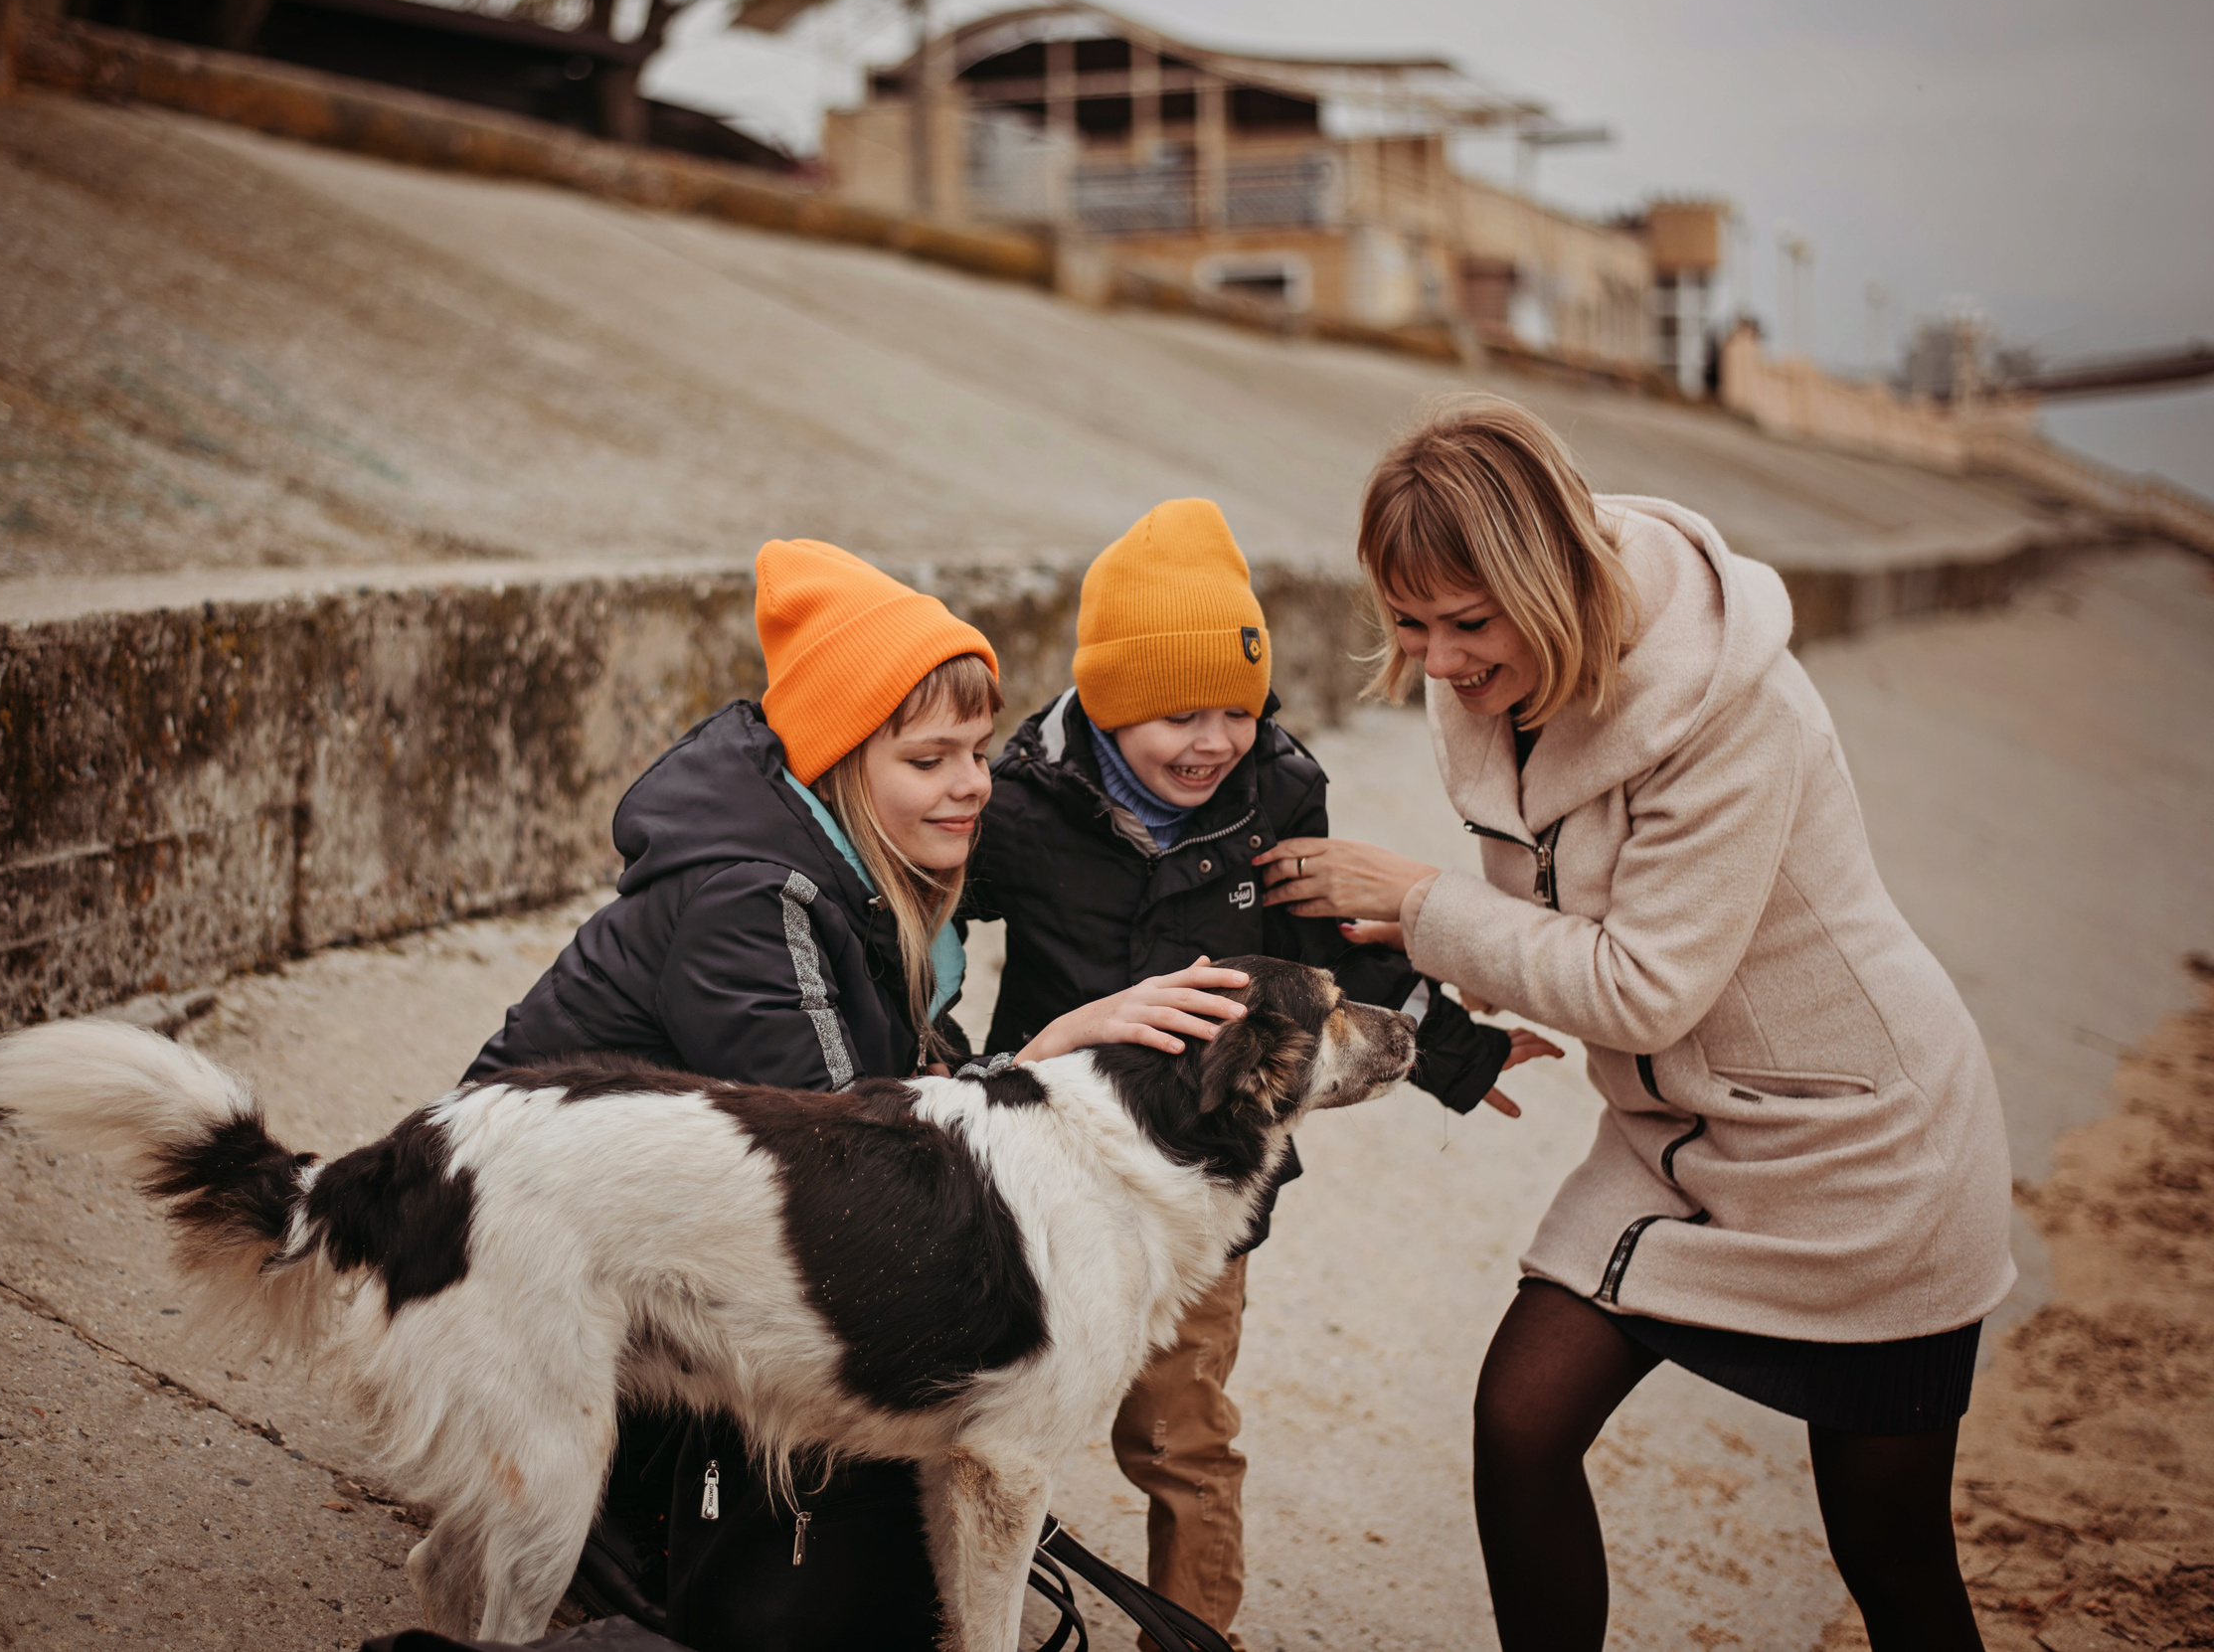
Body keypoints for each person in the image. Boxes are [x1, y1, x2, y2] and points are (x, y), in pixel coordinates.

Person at [1259, 396, 2011, 1652]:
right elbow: (1556, 912)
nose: (1435, 660)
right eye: (1408, 622)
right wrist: (1422, 958)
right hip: (1675, 1133)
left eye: (1463, 622)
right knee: (1522, 1417)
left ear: (1544, 574)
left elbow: (1648, 984)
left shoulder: (1735, 712)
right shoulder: (1485, 680)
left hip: (1870, 1145)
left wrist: (1421, 902)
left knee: (1886, 1544)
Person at [462, 538, 1252, 1652]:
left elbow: (909, 1086)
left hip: (670, 1228)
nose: (973, 782)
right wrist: (1055, 1050)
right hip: (523, 1255)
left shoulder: (863, 873)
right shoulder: (756, 895)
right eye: (930, 758)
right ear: (842, 759)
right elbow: (855, 1159)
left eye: (978, 750)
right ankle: (601, 1527)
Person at [964, 498, 1561, 1650]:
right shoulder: (1024, 806)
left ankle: (1190, 1632)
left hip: (1200, 1184)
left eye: (1236, 709)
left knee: (1178, 1434)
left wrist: (1457, 1050)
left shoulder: (1274, 792)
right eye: (1176, 712)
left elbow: (1329, 947)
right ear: (1106, 701)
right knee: (976, 1403)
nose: (1210, 740)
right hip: (1039, 1173)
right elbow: (919, 917)